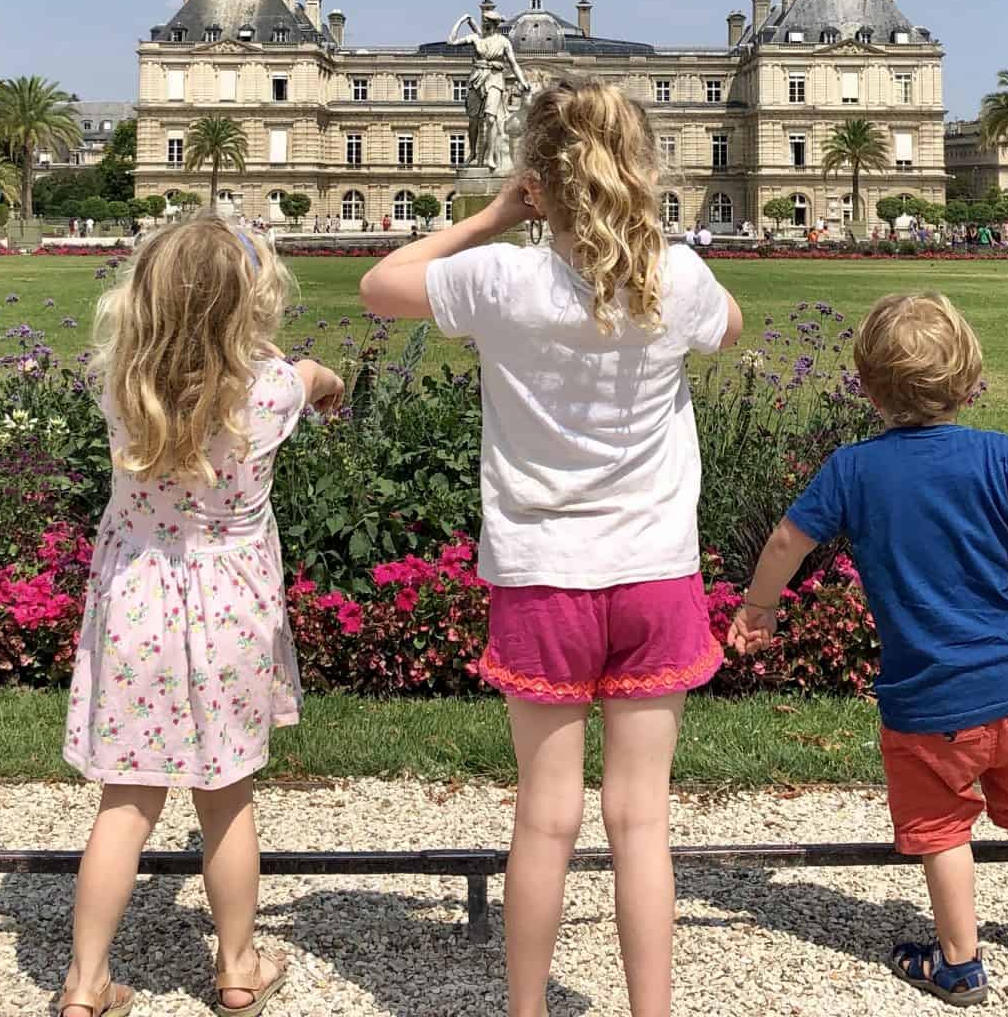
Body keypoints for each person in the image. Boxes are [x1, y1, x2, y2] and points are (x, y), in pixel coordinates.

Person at [360, 78, 742, 1017]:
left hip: (542, 576)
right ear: (642, 167)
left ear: (541, 177)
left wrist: (493, 212)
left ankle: (527, 1011)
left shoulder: (503, 279)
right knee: (641, 822)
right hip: (654, 569)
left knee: (544, 819)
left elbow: (377, 289)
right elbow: (731, 329)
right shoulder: (677, 278)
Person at [730, 292, 1008, 1003]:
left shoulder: (854, 469)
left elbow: (786, 540)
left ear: (866, 385)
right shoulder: (1001, 456)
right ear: (968, 376)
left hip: (926, 694)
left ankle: (958, 958)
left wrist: (759, 605)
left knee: (944, 825)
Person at [58, 218, 345, 1017]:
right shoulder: (272, 388)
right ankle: (238, 966)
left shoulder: (123, 382)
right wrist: (326, 381)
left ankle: (86, 983)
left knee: (127, 799)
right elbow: (310, 377)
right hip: (231, 606)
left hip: (137, 599)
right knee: (226, 799)